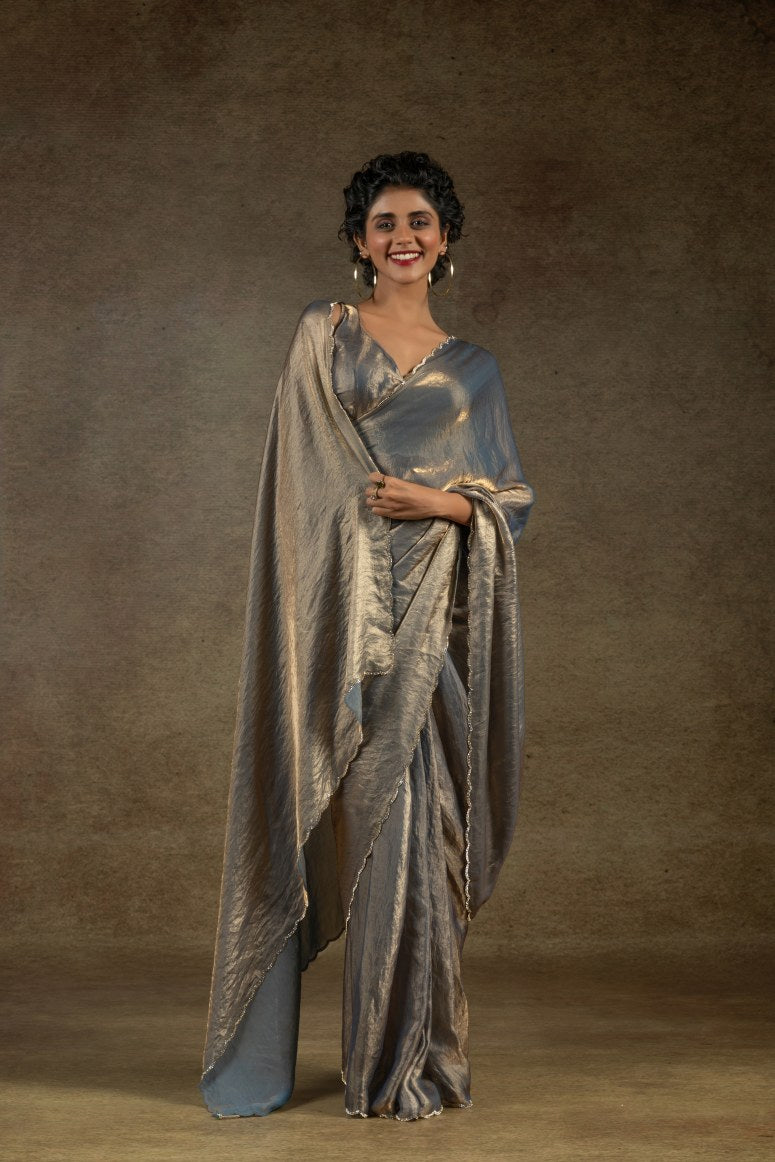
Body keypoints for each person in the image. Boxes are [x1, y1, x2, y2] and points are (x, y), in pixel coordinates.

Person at [198, 150, 535, 1122]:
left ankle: (413, 1062)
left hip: (438, 628)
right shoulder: (326, 333)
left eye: (419, 221)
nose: (402, 237)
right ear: (359, 240)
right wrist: (351, 583)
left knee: (423, 835)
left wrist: (447, 504)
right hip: (348, 625)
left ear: (445, 237)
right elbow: (300, 480)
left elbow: (511, 499)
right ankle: (368, 1060)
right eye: (383, 222)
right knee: (369, 823)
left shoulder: (474, 369)